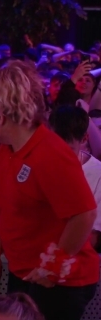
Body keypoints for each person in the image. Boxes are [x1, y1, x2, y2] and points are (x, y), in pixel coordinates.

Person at [0, 60, 99, 320]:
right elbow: (3, 206)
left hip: (59, 283)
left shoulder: (51, 154)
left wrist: (52, 265)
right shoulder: (6, 148)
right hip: (24, 272)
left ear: (0, 117)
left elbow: (85, 215)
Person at [49, 106, 101, 250]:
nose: (59, 155)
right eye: (54, 146)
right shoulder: (37, 165)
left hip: (73, 259)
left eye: (67, 149)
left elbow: (94, 237)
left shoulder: (98, 175)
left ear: (84, 138)